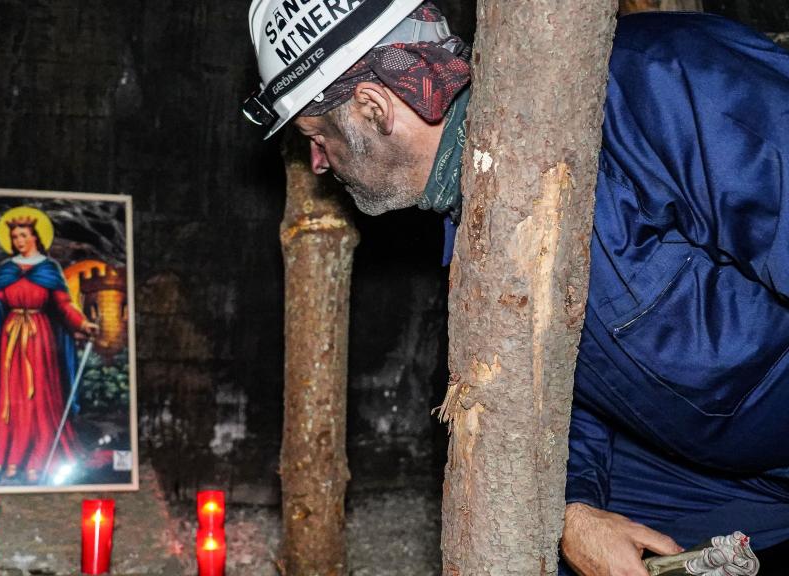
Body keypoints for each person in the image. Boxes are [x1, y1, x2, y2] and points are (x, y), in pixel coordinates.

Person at [243, 1, 789, 574]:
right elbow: (564, 388)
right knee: (538, 535)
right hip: (720, 468)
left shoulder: (658, 81)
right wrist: (572, 512)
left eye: (315, 135)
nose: (318, 162)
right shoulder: (469, 232)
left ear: (373, 106)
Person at [0, 208, 98, 483]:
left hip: (40, 339)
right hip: (11, 340)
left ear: (35, 236)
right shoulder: (7, 269)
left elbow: (64, 304)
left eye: (23, 235)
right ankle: (13, 457)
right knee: (13, 401)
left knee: (39, 400)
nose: (18, 241)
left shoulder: (49, 269)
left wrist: (83, 324)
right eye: (14, 236)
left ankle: (39, 457)